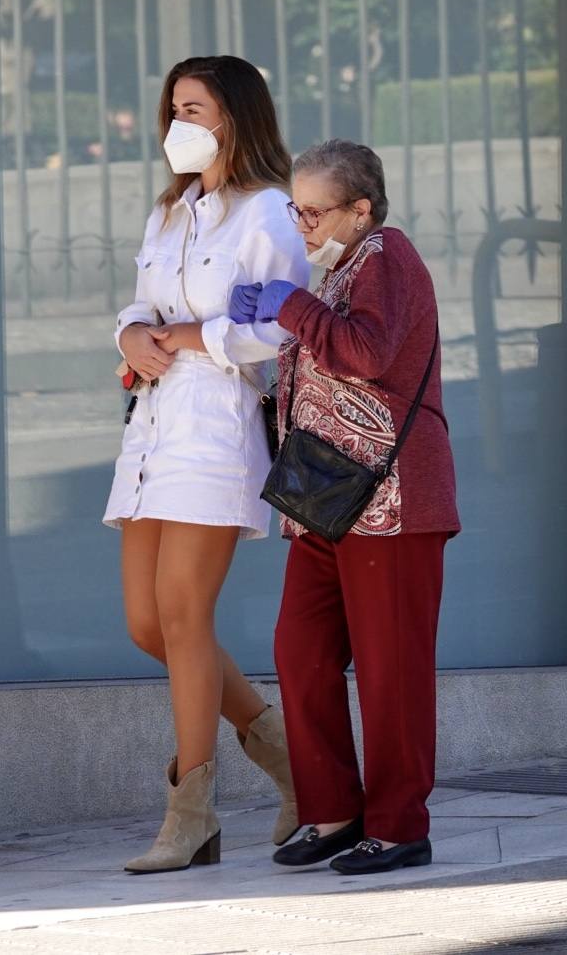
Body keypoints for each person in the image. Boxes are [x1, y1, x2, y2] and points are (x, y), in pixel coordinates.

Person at [103, 56, 310, 874]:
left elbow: (283, 325)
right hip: (153, 430)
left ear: (235, 118)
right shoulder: (170, 213)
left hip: (218, 427)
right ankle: (295, 762)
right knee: (146, 624)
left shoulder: (267, 212)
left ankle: (190, 810)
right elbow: (142, 302)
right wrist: (130, 334)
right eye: (173, 107)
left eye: (194, 107)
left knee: (186, 616)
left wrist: (194, 339)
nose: (176, 123)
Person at [231, 139, 460, 876]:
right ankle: (332, 810)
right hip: (327, 501)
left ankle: (398, 825)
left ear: (361, 209)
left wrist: (290, 304)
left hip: (391, 505)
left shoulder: (386, 256)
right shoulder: (339, 268)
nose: (301, 224)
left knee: (392, 669)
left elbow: (366, 352)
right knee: (299, 650)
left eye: (314, 210)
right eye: (295, 209)